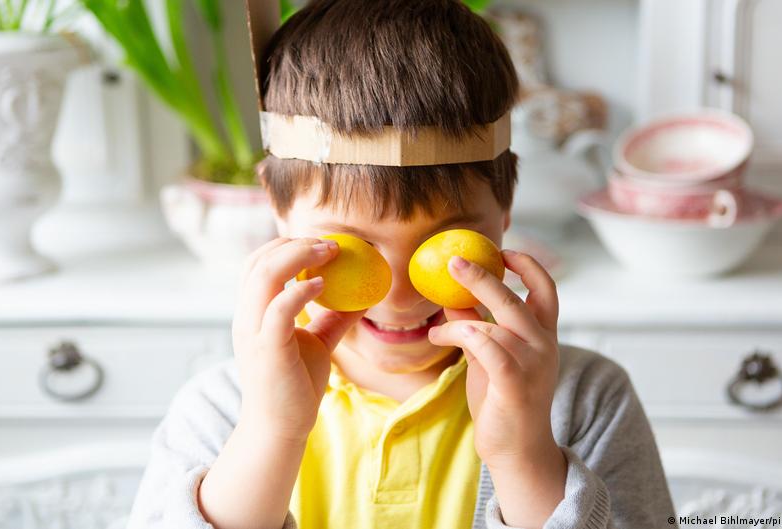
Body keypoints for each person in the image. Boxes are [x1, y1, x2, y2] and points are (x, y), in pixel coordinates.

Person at [126, 0, 677, 527]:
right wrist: (273, 431)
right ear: (277, 209)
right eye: (349, 249)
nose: (399, 298)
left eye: (447, 246)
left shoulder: (584, 400)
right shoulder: (221, 409)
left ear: (505, 208)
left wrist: (524, 456)